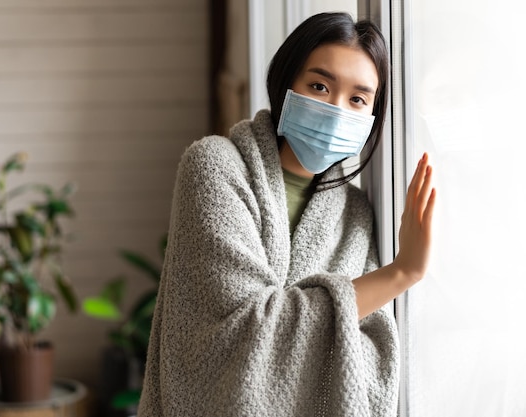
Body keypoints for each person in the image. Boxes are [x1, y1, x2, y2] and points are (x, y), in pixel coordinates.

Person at [139, 11, 435, 417]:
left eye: (357, 99)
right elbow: (246, 328)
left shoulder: (355, 215)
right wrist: (403, 273)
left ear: (371, 118)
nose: (336, 110)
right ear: (285, 86)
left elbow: (372, 347)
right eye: (319, 86)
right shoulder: (213, 167)